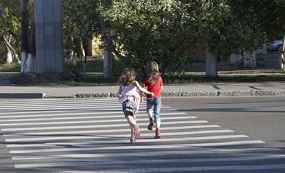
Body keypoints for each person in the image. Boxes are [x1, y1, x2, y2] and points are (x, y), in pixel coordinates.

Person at [117, 68, 154, 143]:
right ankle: (132, 137)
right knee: (133, 118)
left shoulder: (122, 84)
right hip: (135, 102)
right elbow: (141, 89)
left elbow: (118, 94)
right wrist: (149, 92)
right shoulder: (135, 83)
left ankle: (134, 127)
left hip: (126, 102)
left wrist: (120, 95)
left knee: (129, 117)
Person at [143, 61, 164, 139]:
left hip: (149, 97)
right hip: (158, 97)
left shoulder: (148, 78)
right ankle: (157, 131)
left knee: (149, 109)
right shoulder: (159, 78)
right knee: (157, 114)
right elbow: (161, 87)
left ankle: (151, 119)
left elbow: (143, 87)